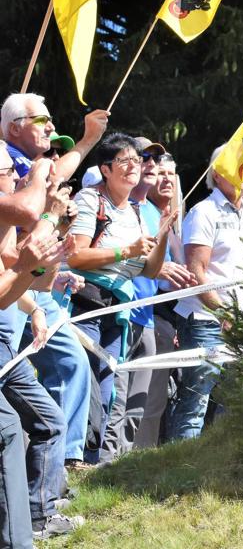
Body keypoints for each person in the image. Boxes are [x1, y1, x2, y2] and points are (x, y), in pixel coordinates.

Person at [66, 134, 174, 463]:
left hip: (120, 309)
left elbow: (150, 271)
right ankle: (73, 459)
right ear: (106, 169)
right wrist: (125, 250)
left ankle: (91, 460)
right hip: (88, 301)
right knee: (88, 381)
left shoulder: (137, 212)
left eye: (136, 161)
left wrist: (164, 233)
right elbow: (76, 257)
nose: (134, 167)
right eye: (124, 161)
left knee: (107, 382)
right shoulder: (89, 200)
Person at [3, 93, 97, 471]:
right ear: (13, 128)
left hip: (19, 298)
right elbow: (27, 211)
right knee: (27, 422)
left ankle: (54, 480)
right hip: (7, 303)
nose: (53, 130)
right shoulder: (13, 165)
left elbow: (31, 274)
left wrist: (58, 230)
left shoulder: (30, 169)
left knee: (67, 378)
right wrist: (42, 187)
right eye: (43, 122)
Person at [0, 146, 80, 540]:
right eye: (7, 174)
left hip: (6, 348)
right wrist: (48, 214)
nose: (12, 180)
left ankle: (38, 515)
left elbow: (32, 279)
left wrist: (34, 306)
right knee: (8, 433)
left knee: (46, 422)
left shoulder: (4, 227)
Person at [101, 140, 194, 460]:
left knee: (140, 406)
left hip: (146, 315)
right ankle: (103, 467)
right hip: (116, 314)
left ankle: (125, 470)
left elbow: (161, 269)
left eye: (157, 160)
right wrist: (158, 269)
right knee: (116, 399)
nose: (152, 165)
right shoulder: (114, 204)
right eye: (146, 159)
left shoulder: (153, 211)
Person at [169, 146, 243, 440]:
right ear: (218, 173)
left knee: (233, 399)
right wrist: (224, 313)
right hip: (204, 319)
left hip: (240, 320)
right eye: (239, 166)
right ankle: (180, 469)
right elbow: (197, 272)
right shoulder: (203, 212)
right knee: (196, 398)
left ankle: (215, 467)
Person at [135, 157, 190, 448]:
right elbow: (159, 274)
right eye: (159, 174)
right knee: (146, 399)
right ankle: (134, 460)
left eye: (171, 173)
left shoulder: (176, 219)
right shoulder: (143, 212)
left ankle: (145, 456)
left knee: (156, 401)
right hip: (149, 314)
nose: (166, 179)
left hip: (169, 319)